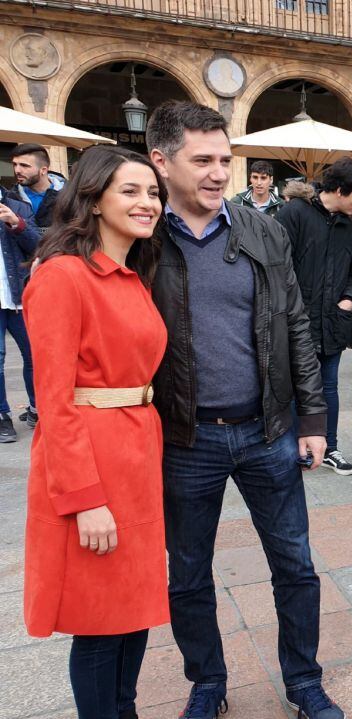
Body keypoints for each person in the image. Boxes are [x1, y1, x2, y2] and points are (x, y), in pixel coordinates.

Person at [146, 101, 343, 719]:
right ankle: (207, 683)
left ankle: (303, 681)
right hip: (184, 438)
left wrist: (314, 418)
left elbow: (294, 324)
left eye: (225, 160)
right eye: (201, 160)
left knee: (296, 565)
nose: (217, 173)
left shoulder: (261, 229)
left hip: (268, 430)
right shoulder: (140, 236)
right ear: (161, 161)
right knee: (189, 575)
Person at [23, 145, 168, 719]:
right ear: (93, 198)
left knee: (133, 609)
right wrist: (85, 500)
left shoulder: (132, 274)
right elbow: (53, 402)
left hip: (136, 453)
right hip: (93, 462)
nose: (147, 202)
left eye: (152, 192)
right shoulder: (62, 276)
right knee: (101, 623)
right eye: (130, 191)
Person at [276, 158, 352, 476]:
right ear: (341, 190)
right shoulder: (294, 213)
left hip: (333, 321)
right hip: (297, 323)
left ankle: (330, 446)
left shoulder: (347, 226)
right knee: (294, 386)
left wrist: (350, 298)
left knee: (328, 386)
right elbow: (278, 266)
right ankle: (293, 447)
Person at [0, 184, 40, 441]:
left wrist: (18, 224)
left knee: (36, 355)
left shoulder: (17, 205)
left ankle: (38, 407)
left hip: (17, 296)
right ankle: (3, 415)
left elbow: (39, 245)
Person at [10, 143, 65, 228]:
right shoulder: (11, 198)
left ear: (43, 170)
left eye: (24, 165)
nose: (17, 170)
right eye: (15, 164)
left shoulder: (69, 194)